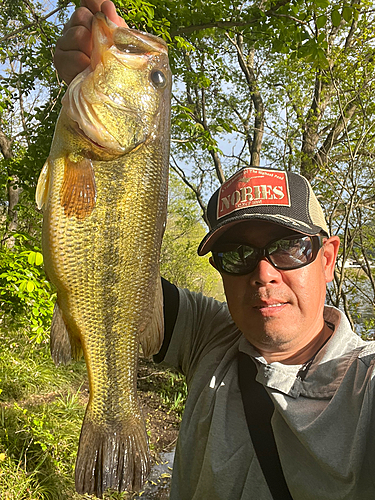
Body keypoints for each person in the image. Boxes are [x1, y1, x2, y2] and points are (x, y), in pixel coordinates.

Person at [54, 2, 375, 499]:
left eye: (288, 247)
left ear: (329, 257)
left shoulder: (364, 386)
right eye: (235, 255)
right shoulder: (213, 338)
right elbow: (102, 277)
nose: (263, 272)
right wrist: (82, 92)